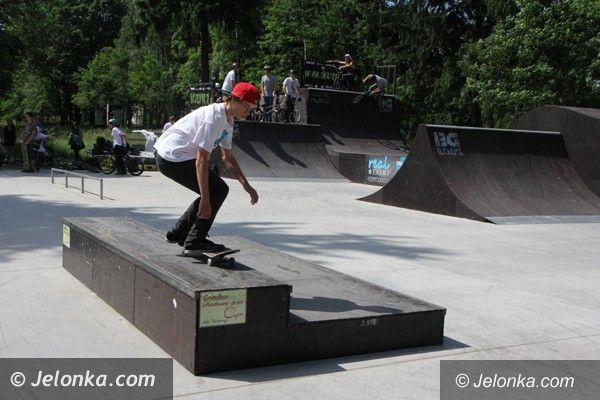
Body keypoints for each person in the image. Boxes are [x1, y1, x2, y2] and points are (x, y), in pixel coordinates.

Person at [154, 82, 260, 256]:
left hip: (176, 157)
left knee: (216, 191)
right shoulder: (214, 118)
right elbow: (201, 160)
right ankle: (195, 241)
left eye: (251, 109)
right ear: (233, 100)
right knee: (217, 191)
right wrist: (205, 199)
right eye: (246, 107)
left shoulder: (228, 121)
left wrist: (246, 185)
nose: (247, 113)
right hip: (172, 157)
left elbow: (228, 157)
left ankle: (178, 233)